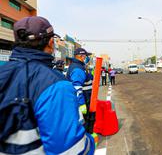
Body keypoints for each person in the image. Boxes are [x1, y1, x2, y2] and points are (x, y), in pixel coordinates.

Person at [0, 16, 94, 154]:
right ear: (51, 42)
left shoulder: (3, 73)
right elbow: (71, 151)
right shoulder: (55, 84)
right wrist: (89, 141)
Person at [66, 48, 92, 122]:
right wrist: (81, 103)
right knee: (84, 120)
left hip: (85, 97)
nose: (87, 58)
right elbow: (77, 87)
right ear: (82, 56)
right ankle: (86, 133)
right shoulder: (78, 68)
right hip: (83, 98)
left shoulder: (79, 66)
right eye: (86, 56)